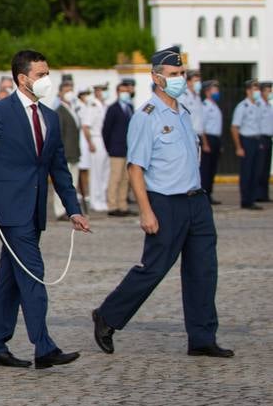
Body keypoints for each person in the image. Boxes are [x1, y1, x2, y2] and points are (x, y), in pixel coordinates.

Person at [0, 49, 90, 370]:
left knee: (9, 279)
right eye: (41, 75)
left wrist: (74, 209)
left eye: (47, 73)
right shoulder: (0, 111)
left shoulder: (49, 116)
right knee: (32, 274)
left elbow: (59, 169)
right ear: (22, 78)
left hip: (34, 209)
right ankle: (45, 347)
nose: (46, 80)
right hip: (9, 209)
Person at [91, 48, 232, 360]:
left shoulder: (183, 113)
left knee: (203, 271)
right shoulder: (146, 117)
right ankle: (108, 316)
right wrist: (145, 210)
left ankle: (202, 337)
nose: (179, 79)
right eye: (173, 75)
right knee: (153, 269)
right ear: (156, 78)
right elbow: (135, 168)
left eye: (181, 74)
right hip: (165, 203)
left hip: (196, 202)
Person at [101, 78, 137, 217]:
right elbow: (106, 130)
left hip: (128, 149)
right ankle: (112, 205)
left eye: (127, 91)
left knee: (125, 179)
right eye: (122, 91)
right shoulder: (113, 108)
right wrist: (109, 147)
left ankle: (122, 205)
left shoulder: (130, 107)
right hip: (116, 149)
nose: (125, 93)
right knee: (115, 178)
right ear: (117, 92)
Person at [52, 80, 83, 222]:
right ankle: (60, 211)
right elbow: (59, 135)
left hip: (74, 152)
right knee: (63, 182)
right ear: (60, 93)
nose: (69, 93)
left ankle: (71, 209)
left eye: (71, 89)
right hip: (65, 153)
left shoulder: (73, 109)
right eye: (66, 90)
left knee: (73, 183)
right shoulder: (59, 111)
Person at [231, 79, 264, 210]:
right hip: (246, 141)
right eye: (255, 89)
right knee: (247, 172)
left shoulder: (258, 106)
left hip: (256, 140)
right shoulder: (242, 106)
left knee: (256, 171)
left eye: (258, 89)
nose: (257, 92)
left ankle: (252, 198)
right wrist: (239, 147)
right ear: (248, 91)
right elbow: (234, 128)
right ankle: (245, 200)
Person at [79, 84, 108, 213]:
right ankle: (95, 201)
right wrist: (90, 142)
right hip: (96, 138)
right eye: (102, 90)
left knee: (105, 172)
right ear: (96, 92)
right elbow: (86, 126)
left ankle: (102, 199)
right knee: (96, 172)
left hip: (105, 139)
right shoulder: (92, 105)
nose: (104, 93)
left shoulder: (104, 105)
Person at [199, 80, 223, 203]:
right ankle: (205, 195)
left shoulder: (215, 106)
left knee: (212, 169)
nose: (217, 92)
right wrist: (205, 143)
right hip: (208, 138)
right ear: (207, 91)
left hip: (215, 139)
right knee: (206, 170)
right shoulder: (205, 106)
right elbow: (201, 126)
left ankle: (209, 194)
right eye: (215, 90)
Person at [258, 82, 273, 203]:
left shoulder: (269, 106)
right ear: (262, 92)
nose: (270, 93)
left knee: (266, 168)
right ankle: (258, 193)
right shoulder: (259, 106)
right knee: (260, 167)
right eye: (268, 91)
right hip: (261, 138)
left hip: (268, 138)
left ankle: (264, 194)